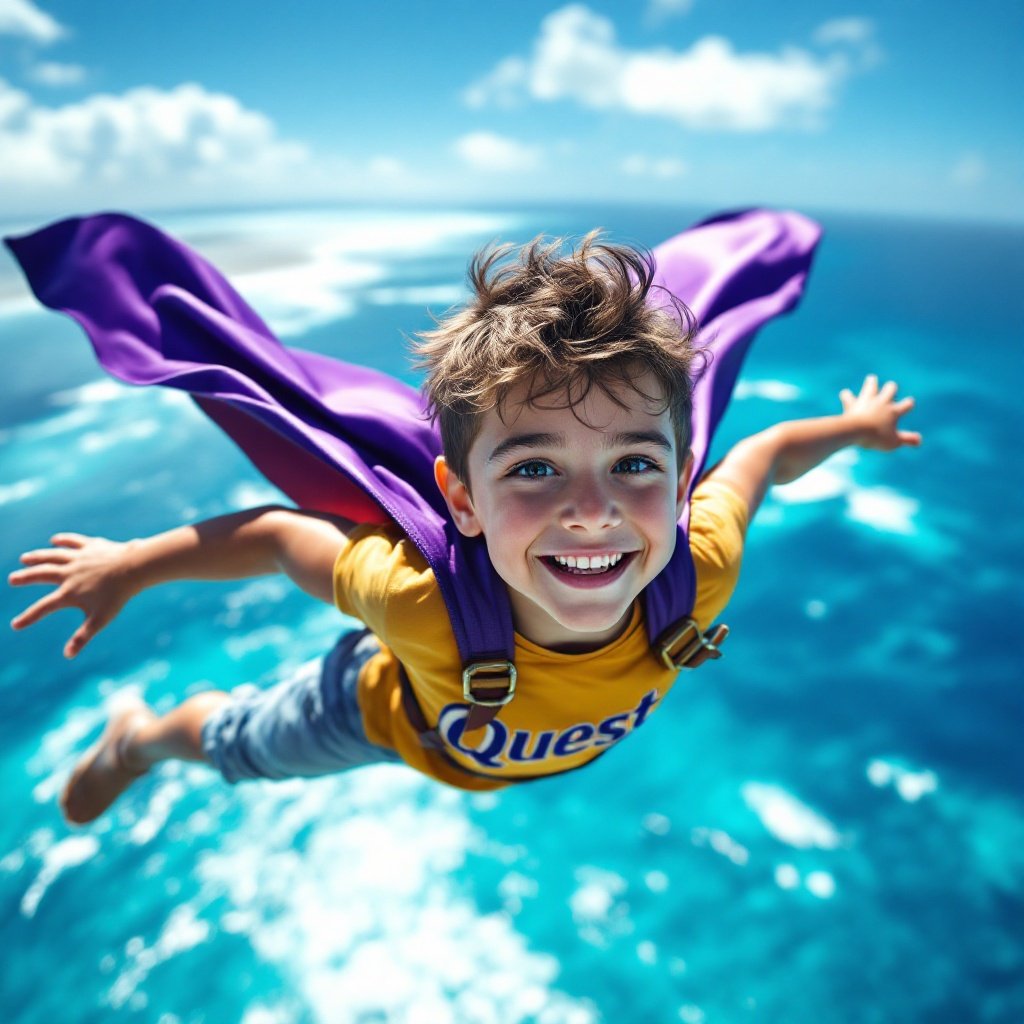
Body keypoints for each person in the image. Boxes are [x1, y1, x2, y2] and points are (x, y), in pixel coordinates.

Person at [7, 225, 920, 826]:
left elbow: (760, 456)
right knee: (238, 747)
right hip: (376, 715)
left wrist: (853, 430)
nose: (593, 509)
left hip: (504, 753)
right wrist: (135, 565)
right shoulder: (419, 601)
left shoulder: (701, 559)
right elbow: (283, 537)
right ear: (462, 500)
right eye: (533, 468)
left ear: (681, 477)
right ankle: (138, 737)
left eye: (635, 463)